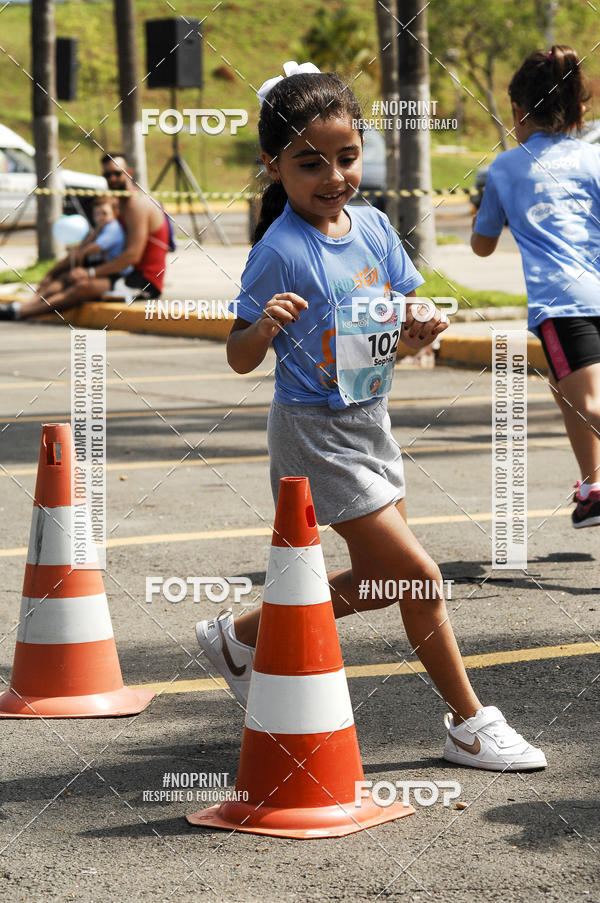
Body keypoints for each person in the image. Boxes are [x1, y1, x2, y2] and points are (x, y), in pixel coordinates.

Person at [195, 61, 546, 771]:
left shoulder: (377, 226)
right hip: (315, 434)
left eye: (346, 157)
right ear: (274, 167)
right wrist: (262, 328)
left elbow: (402, 309)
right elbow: (236, 356)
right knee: (420, 579)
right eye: (309, 163)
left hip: (371, 420)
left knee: (386, 581)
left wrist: (422, 322)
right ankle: (469, 722)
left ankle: (240, 636)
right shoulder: (278, 252)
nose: (333, 177)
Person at [471, 45, 600, 529]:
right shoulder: (592, 159)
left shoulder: (506, 168)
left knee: (587, 401)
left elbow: (482, 245)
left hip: (561, 304)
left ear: (518, 112)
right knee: (565, 390)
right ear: (576, 109)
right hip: (595, 293)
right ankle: (593, 488)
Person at [1, 152, 169, 320]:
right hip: (122, 271)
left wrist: (90, 273)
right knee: (63, 276)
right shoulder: (118, 203)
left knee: (82, 285)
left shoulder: (137, 204)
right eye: (107, 175)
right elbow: (88, 243)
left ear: (129, 173)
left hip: (143, 280)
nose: (112, 179)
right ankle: (21, 306)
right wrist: (53, 271)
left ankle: (20, 312)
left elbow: (132, 255)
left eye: (117, 173)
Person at [31, 195, 130, 312]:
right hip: (105, 270)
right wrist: (94, 234)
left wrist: (80, 258)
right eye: (97, 215)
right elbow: (83, 248)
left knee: (71, 279)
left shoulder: (113, 229)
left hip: (115, 275)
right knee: (64, 277)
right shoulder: (102, 228)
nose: (100, 218)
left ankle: (32, 306)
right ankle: (33, 303)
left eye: (104, 213)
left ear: (115, 213)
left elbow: (90, 249)